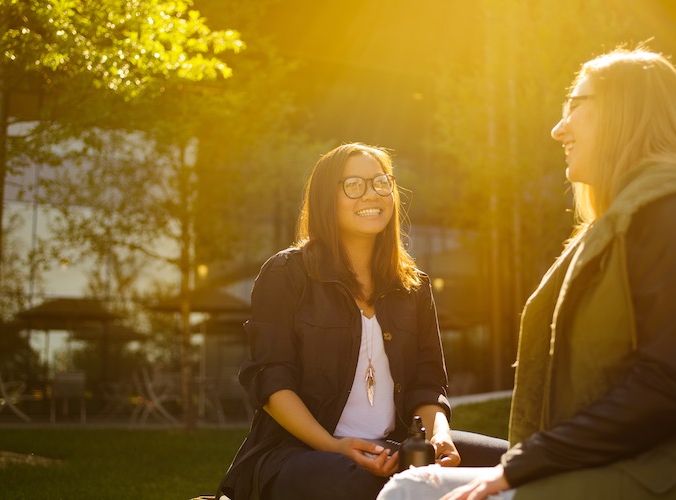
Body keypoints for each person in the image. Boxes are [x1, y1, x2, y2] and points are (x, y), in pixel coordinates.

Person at [378, 46, 676, 499]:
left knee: (412, 494)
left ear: (624, 110)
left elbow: (672, 382)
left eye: (574, 106)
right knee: (412, 485)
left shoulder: (675, 207)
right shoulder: (634, 212)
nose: (557, 128)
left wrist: (521, 466)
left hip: (675, 473)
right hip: (630, 463)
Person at [216, 143, 508, 500]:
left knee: (514, 463)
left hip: (396, 446)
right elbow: (271, 380)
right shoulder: (286, 273)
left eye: (381, 182)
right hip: (298, 452)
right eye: (353, 185)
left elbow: (428, 381)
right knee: (355, 481)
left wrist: (438, 436)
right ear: (327, 198)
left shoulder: (412, 285)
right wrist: (333, 446)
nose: (372, 194)